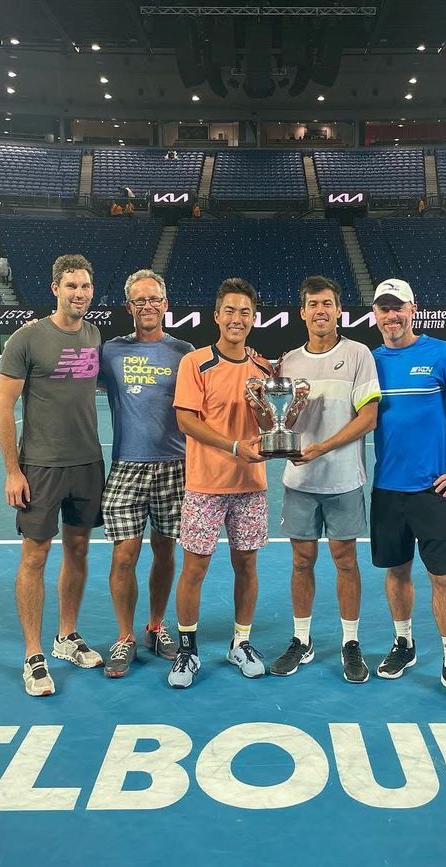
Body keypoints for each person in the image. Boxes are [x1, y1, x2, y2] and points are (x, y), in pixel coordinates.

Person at [368, 278, 446, 706]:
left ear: (413, 309)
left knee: (443, 576)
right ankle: (405, 644)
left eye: (397, 307)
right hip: (386, 491)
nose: (391, 315)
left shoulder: (442, 354)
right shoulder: (369, 361)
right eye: (383, 308)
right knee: (396, 572)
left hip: (434, 492)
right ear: (375, 314)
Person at [0, 254, 106, 697]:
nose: (79, 294)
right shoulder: (27, 339)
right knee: (35, 557)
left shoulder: (96, 335)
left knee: (78, 549)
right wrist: (12, 471)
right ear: (55, 288)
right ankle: (33, 655)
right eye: (71, 286)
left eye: (86, 287)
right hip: (39, 467)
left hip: (87, 463)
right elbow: (3, 407)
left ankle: (66, 637)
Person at [269, 276, 381, 683]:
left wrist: (322, 448)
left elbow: (368, 417)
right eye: (312, 304)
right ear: (302, 312)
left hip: (343, 481)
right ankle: (302, 639)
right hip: (298, 483)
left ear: (338, 310)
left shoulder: (358, 355)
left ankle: (350, 642)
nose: (320, 310)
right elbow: (281, 418)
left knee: (345, 562)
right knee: (302, 562)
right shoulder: (287, 362)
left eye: (327, 303)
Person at [168, 277, 276, 689]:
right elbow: (186, 421)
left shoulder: (265, 368)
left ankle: (241, 642)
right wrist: (234, 446)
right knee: (194, 568)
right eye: (229, 311)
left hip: (251, 485)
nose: (237, 318)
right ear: (217, 316)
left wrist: (270, 422)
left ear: (254, 318)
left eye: (245, 312)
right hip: (205, 485)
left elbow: (271, 424)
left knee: (247, 565)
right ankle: (187, 649)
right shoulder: (195, 363)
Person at [99, 269, 194, 678]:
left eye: (154, 299)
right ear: (129, 307)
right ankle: (125, 637)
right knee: (124, 554)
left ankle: (156, 626)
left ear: (165, 304)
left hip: (176, 466)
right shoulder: (110, 352)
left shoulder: (184, 352)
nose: (147, 306)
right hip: (126, 467)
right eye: (139, 301)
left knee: (166, 550)